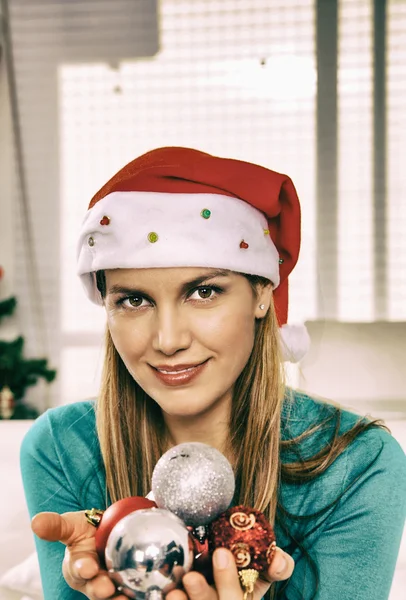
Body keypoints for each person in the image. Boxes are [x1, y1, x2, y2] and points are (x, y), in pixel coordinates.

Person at [21, 146, 406, 600]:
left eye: (203, 291)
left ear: (262, 292)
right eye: (133, 300)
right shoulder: (61, 448)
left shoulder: (358, 465)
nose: (167, 339)